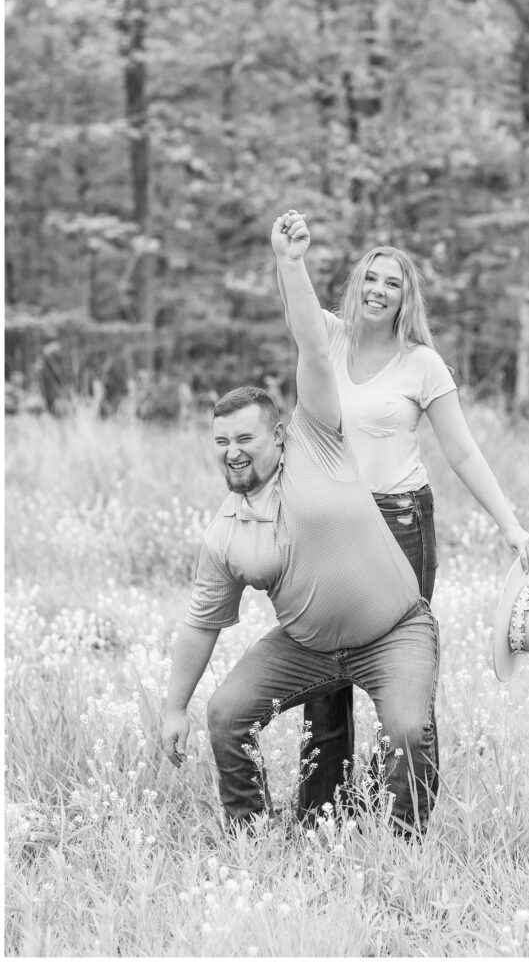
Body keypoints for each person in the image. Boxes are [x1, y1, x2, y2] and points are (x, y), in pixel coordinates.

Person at [161, 210, 440, 837]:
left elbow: (314, 344)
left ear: (279, 434)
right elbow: (201, 622)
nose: (233, 451)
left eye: (246, 438)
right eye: (221, 441)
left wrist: (289, 264)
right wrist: (175, 706)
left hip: (393, 628)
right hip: (309, 648)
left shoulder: (317, 440)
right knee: (227, 713)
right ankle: (254, 837)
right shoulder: (226, 533)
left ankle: (404, 850)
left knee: (406, 730)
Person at [275, 217, 529, 816]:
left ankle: (406, 813)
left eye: (391, 282)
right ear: (355, 285)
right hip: (331, 525)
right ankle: (323, 812)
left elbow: (463, 451)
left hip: (399, 522)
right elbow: (298, 315)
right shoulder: (331, 341)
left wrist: (509, 523)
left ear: (404, 296)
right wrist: (290, 259)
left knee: (405, 669)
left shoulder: (423, 364)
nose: (378, 289)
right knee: (323, 667)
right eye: (370, 277)